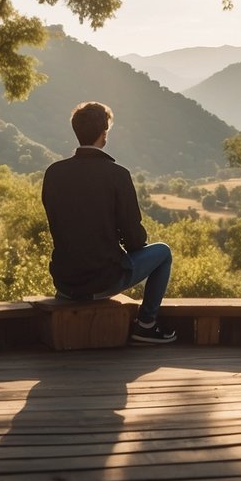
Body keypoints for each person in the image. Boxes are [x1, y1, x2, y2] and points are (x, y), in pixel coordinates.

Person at [41, 102, 176, 344]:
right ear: (104, 134)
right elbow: (135, 239)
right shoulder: (118, 175)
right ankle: (146, 324)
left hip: (65, 281)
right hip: (103, 280)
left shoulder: (53, 173)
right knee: (163, 252)